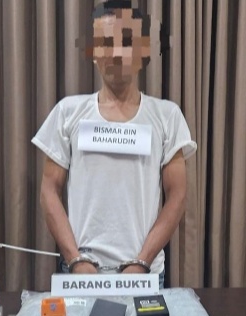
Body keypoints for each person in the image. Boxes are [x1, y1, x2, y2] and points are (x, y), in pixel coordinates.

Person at [32, 1, 196, 288]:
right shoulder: (67, 113)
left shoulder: (167, 116)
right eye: (105, 43)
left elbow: (177, 195)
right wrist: (75, 260)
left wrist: (141, 262)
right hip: (81, 273)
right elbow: (49, 189)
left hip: (145, 273)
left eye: (126, 42)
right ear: (93, 52)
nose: (116, 53)